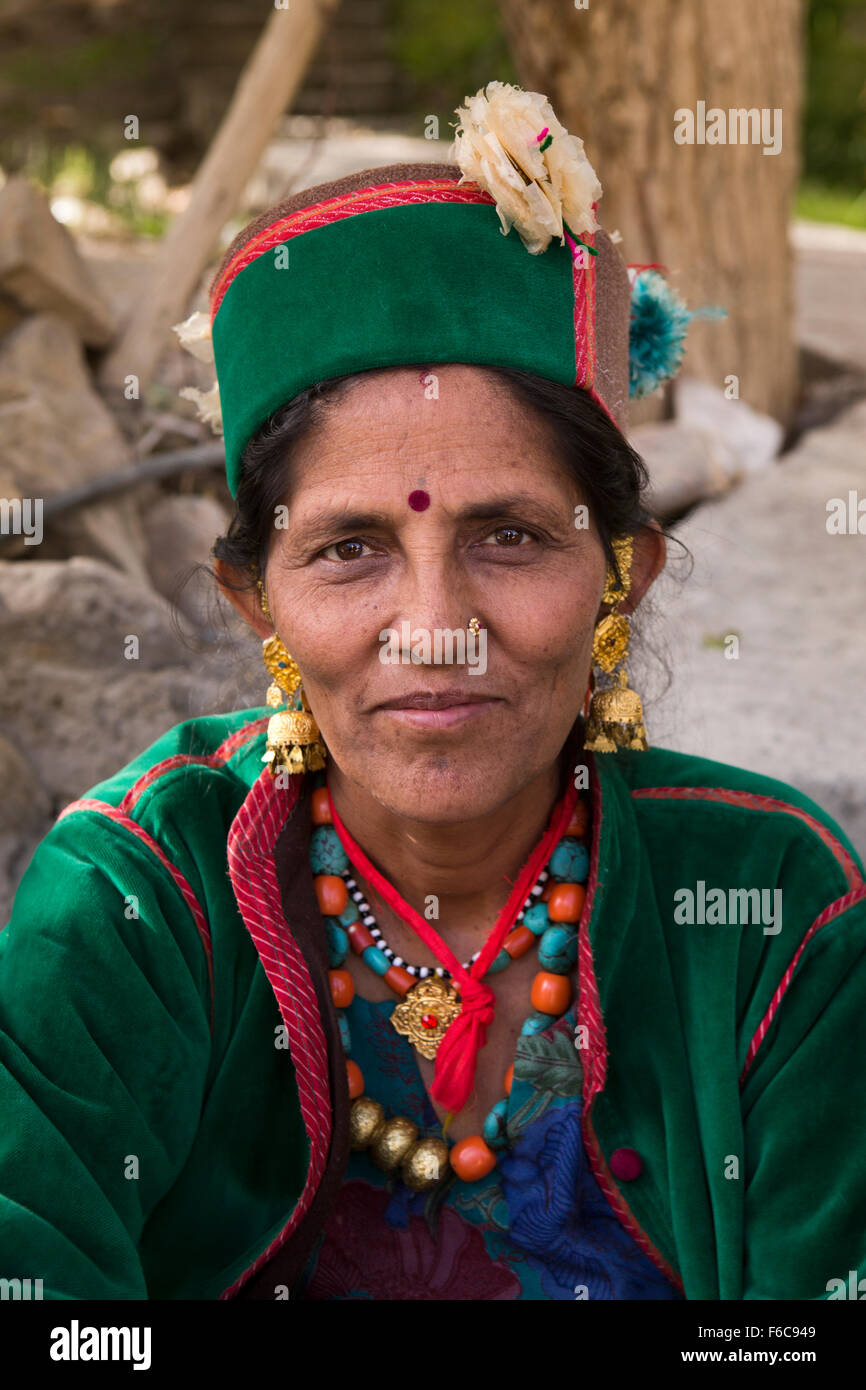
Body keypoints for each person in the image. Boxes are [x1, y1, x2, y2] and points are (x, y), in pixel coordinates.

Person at [1, 82, 864, 1302]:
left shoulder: (773, 908)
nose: (436, 631)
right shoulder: (129, 910)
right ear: (257, 601)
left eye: (508, 536)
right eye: (348, 549)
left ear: (621, 575)